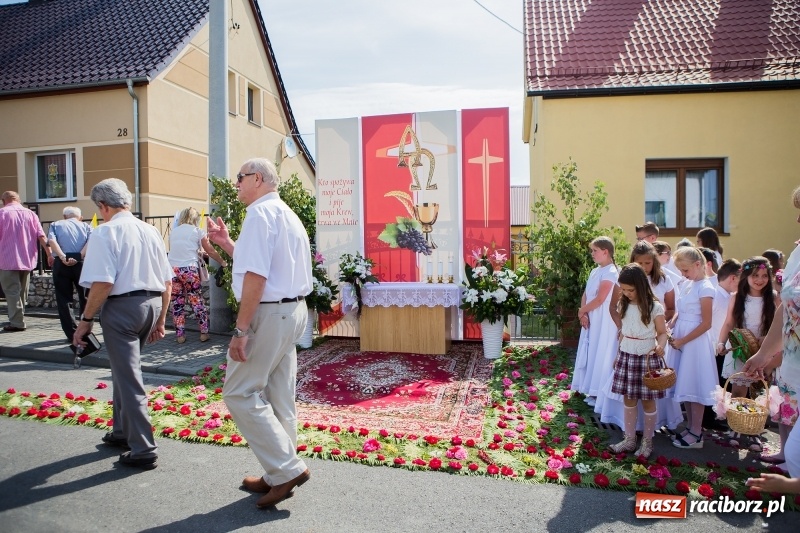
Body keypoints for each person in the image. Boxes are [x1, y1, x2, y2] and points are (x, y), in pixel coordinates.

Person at [206, 157, 313, 508]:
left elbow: (256, 277)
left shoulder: (259, 214)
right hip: (291, 310)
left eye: (240, 178)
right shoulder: (284, 213)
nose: (236, 183)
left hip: (269, 313)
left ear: (257, 178)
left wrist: (241, 329)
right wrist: (226, 244)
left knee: (238, 392)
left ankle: (285, 468)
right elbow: (264, 265)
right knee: (280, 395)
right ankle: (277, 473)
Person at [73, 178, 173, 471]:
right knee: (123, 370)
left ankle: (142, 448)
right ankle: (121, 432)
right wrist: (162, 318)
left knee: (128, 377)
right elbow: (167, 281)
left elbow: (103, 282)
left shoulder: (105, 232)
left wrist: (86, 320)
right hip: (152, 304)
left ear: (103, 206)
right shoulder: (151, 230)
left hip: (123, 307)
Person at [743, 187, 800, 476]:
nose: (799, 219)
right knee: (789, 410)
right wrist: (764, 355)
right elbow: (786, 309)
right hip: (793, 359)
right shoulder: (798, 253)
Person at [596, 241, 681, 435]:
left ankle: (649, 436)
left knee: (649, 394)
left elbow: (669, 310)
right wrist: (623, 328)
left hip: (649, 345)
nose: (643, 267)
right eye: (639, 263)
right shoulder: (626, 287)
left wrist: (655, 327)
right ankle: (629, 435)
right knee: (629, 395)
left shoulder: (659, 289)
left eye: (648, 263)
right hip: (628, 345)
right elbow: (614, 307)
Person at [606, 264, 669, 458]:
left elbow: (662, 333)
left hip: (647, 358)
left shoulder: (654, 307)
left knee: (648, 401)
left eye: (630, 290)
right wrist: (618, 355)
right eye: (623, 289)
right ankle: (629, 439)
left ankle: (647, 442)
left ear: (641, 286)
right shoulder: (623, 303)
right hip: (627, 355)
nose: (626, 293)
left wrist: (660, 345)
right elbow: (623, 333)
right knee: (629, 398)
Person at [667, 247, 717, 449]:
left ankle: (696, 433)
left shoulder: (705, 287)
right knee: (685, 384)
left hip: (694, 342)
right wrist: (671, 326)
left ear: (698, 265)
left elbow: (706, 323)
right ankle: (690, 427)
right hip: (682, 338)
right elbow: (680, 310)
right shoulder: (688, 284)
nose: (683, 274)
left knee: (695, 384)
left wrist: (683, 340)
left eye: (686, 270)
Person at [168, 207, 227, 343]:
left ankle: (180, 336)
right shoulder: (197, 231)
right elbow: (210, 251)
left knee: (177, 303)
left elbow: (180, 249)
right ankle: (204, 333)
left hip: (172, 269)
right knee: (196, 302)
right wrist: (222, 262)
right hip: (189, 270)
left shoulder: (174, 232)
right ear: (195, 219)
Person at [571, 236, 618, 405]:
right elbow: (586, 293)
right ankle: (588, 387)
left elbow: (600, 298)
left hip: (603, 318)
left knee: (601, 351)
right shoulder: (595, 271)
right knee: (590, 351)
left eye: (595, 250)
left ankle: (598, 392)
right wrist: (583, 313)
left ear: (606, 252)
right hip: (591, 315)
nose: (592, 253)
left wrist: (582, 311)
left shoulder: (612, 272)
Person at [0, 191, 51, 332]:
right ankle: (18, 318)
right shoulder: (31, 214)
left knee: (12, 292)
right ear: (19, 200)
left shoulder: (2, 213)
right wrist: (49, 254)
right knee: (21, 292)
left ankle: (17, 322)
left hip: (7, 260)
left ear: (4, 201)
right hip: (27, 260)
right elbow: (42, 236)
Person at [47, 206, 92, 342]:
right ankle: (85, 332)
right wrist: (79, 256)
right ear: (80, 217)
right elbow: (91, 241)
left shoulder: (55, 224)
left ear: (64, 216)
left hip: (61, 264)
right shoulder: (86, 226)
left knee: (64, 299)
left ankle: (71, 333)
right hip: (82, 264)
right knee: (85, 298)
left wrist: (61, 256)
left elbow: (52, 241)